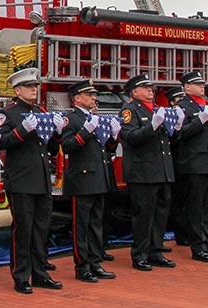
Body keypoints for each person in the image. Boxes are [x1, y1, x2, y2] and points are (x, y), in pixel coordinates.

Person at [0, 67, 64, 294]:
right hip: (21, 180)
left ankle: (40, 273)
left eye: (35, 86)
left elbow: (51, 148)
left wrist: (56, 132)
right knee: (23, 230)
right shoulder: (10, 113)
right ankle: (21, 275)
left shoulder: (41, 110)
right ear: (17, 90)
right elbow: (1, 142)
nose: (34, 89)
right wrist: (22, 131)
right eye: (29, 86)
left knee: (41, 229)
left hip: (41, 179)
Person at [60, 79, 117, 280]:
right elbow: (67, 146)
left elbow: (103, 148)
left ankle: (95, 262)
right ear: (77, 98)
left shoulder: (95, 117)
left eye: (94, 94)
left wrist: (113, 136)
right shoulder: (72, 119)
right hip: (82, 179)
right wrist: (86, 131)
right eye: (89, 94)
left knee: (96, 224)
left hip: (98, 178)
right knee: (81, 226)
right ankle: (82, 266)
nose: (94, 97)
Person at [120, 73, 175, 271]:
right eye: (145, 87)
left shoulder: (157, 109)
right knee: (143, 215)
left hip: (161, 170)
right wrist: (152, 126)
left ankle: (156, 251)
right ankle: (139, 254)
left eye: (151, 87)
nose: (151, 90)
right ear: (134, 92)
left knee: (161, 213)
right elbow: (130, 137)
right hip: (142, 172)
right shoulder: (130, 111)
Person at [172, 71, 208, 263]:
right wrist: (199, 120)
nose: (202, 87)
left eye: (203, 84)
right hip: (195, 163)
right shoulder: (182, 106)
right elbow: (179, 134)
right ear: (187, 87)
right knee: (195, 207)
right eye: (197, 84)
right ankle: (198, 246)